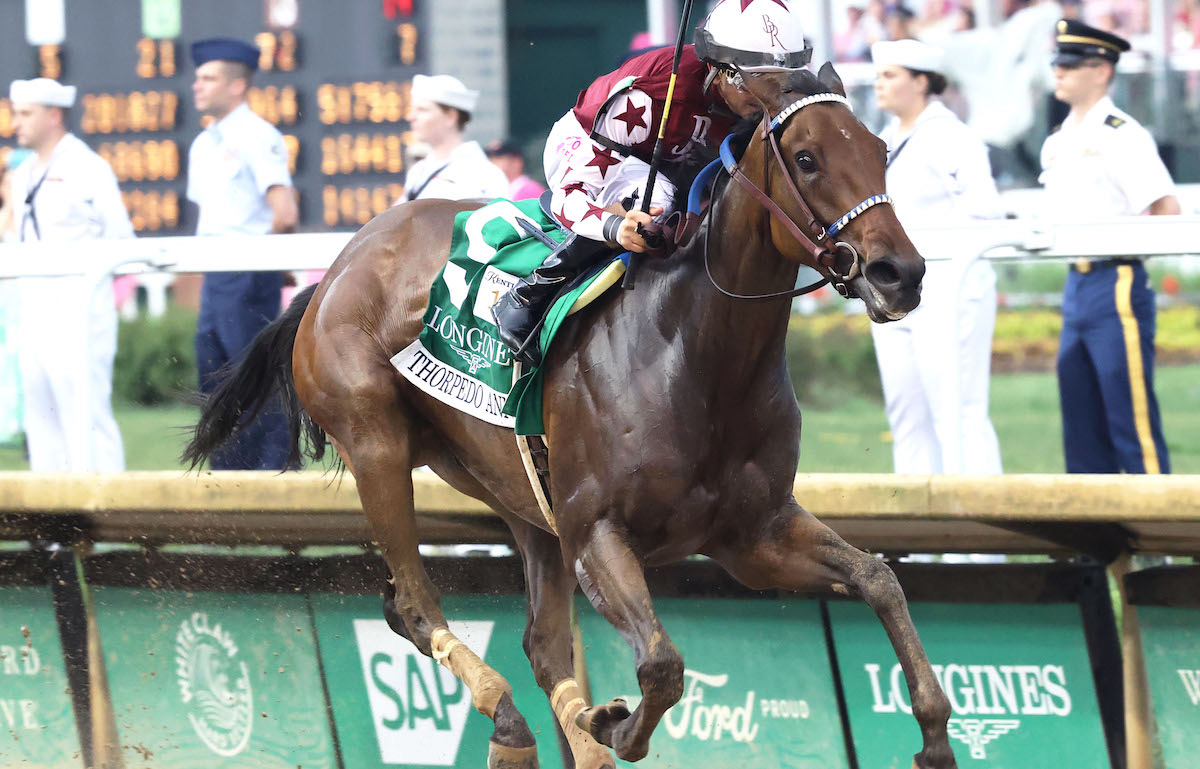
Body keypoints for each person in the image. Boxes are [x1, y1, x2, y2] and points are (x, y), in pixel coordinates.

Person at [491, 0, 812, 365]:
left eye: (778, 83)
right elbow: (571, 196)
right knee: (658, 199)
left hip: (676, 165)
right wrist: (614, 225)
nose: (767, 98)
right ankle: (529, 293)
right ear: (718, 69)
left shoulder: (758, 101)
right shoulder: (650, 93)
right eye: (755, 84)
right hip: (599, 146)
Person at [1040, 20, 1180, 474]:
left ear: (1101, 71)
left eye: (1071, 64)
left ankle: (1159, 534)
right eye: (1057, 63)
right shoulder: (1058, 141)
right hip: (1076, 283)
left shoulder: (1122, 134)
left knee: (1129, 416)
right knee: (1080, 420)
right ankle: (1098, 542)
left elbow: (1166, 209)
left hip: (1116, 279)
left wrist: (1131, 247)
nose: (1058, 72)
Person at [869, 40, 1004, 475]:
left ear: (922, 81)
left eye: (891, 75)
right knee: (907, 417)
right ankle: (917, 541)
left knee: (959, 414)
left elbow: (985, 210)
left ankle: (981, 542)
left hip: (948, 287)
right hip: (895, 290)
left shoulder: (951, 137)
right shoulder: (884, 139)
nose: (880, 83)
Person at [8, 78, 132, 471]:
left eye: (25, 114)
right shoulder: (23, 173)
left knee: (85, 412)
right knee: (41, 417)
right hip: (33, 309)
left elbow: (119, 238)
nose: (16, 123)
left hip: (79, 311)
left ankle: (106, 520)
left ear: (54, 115)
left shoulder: (88, 167)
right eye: (15, 113)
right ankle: (54, 525)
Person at [188, 38, 299, 470]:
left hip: (248, 269)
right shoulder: (203, 143)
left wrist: (265, 265)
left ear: (237, 86)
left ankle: (277, 473)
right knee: (215, 377)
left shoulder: (258, 136)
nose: (197, 85)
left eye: (208, 77)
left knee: (253, 375)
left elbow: (284, 211)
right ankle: (228, 476)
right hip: (216, 274)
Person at [394, 75, 508, 203]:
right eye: (413, 109)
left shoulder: (486, 175)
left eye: (422, 110)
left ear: (451, 117)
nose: (411, 117)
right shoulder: (418, 171)